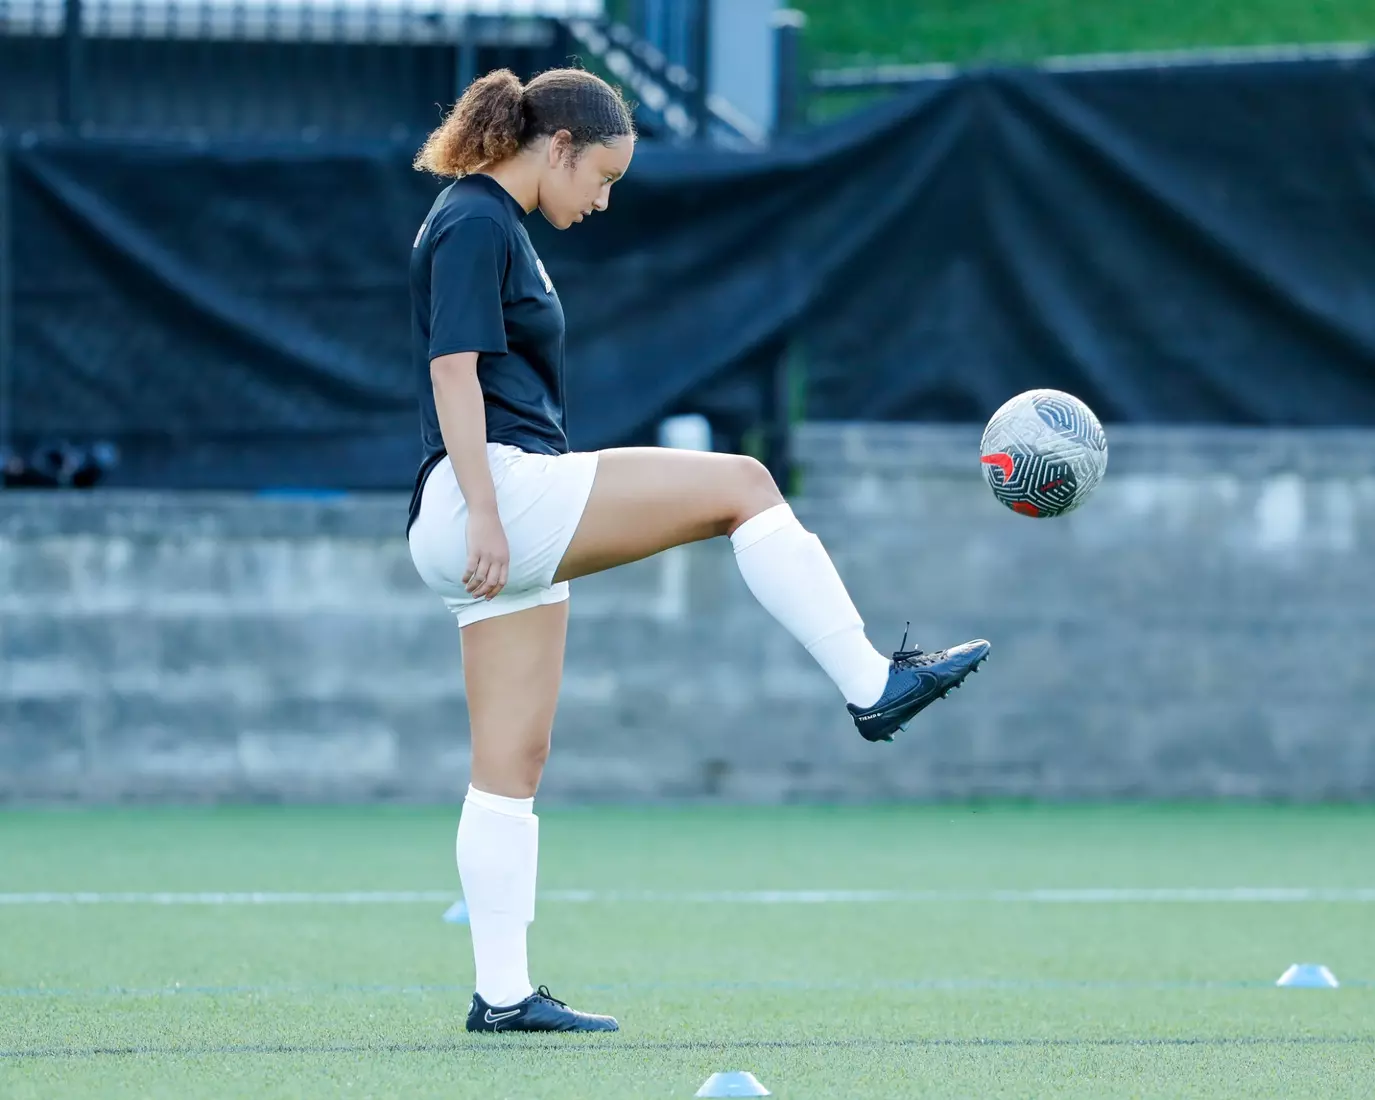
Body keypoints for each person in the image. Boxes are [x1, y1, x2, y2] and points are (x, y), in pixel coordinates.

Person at [406, 66, 990, 1035]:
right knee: (743, 486)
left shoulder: (486, 221)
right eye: (599, 175)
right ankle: (869, 682)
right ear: (554, 146)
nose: (600, 199)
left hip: (480, 503)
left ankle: (501, 992)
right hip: (490, 491)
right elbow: (451, 372)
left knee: (511, 762)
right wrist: (489, 511)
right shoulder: (474, 218)